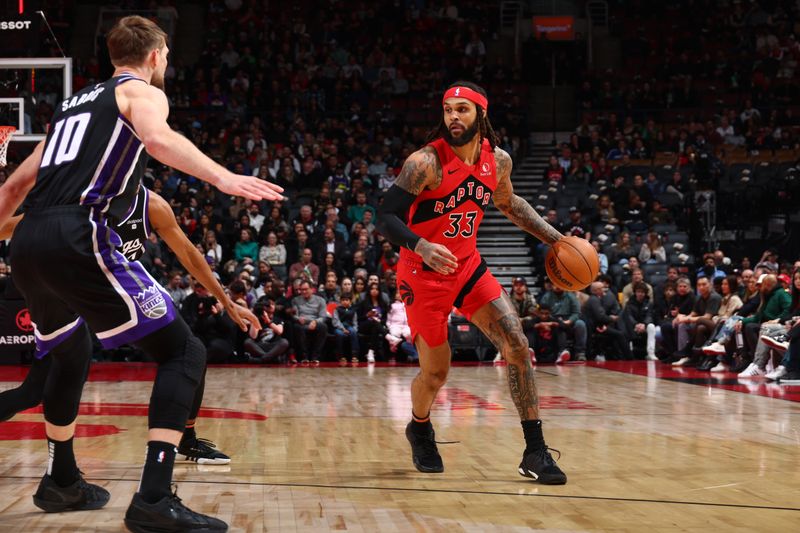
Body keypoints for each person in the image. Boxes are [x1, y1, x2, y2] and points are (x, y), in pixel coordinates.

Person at [0, 16, 282, 532]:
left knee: (70, 352)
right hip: (76, 233)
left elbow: (15, 186)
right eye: (167, 56)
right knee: (184, 351)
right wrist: (223, 177)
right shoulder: (141, 92)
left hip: (28, 238)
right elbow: (156, 140)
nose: (166, 63)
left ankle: (61, 481)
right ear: (155, 56)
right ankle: (154, 497)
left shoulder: (68, 107)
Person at [377, 81, 567, 484]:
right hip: (423, 274)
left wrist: (557, 239)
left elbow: (509, 203)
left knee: (517, 344)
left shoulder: (497, 161)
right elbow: (385, 216)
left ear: (481, 114)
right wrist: (421, 244)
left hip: (466, 267)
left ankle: (535, 450)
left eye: (462, 110)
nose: (453, 117)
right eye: (448, 110)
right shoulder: (424, 162)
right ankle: (420, 427)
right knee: (436, 374)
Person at [0, 186, 257, 466]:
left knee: (189, 351)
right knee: (34, 390)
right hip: (73, 287)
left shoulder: (151, 204)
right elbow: (15, 226)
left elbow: (188, 253)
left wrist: (227, 300)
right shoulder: (79, 200)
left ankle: (186, 438)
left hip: (122, 287)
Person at [290, 280, 328, 365]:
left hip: (315, 322)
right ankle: (304, 357)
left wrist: (315, 321)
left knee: (323, 327)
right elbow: (294, 315)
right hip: (302, 323)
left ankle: (315, 357)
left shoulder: (321, 300)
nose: (303, 292)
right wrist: (298, 319)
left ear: (312, 289)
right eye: (301, 290)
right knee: (297, 327)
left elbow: (323, 316)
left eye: (306, 289)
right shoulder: (295, 300)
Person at [620, 281, 657, 360]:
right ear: (635, 292)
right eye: (638, 292)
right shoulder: (629, 303)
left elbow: (649, 315)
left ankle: (651, 353)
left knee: (652, 326)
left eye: (642, 292)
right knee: (626, 324)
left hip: (644, 326)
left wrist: (644, 324)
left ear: (645, 293)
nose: (640, 294)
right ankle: (629, 352)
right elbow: (629, 316)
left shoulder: (649, 303)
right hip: (633, 326)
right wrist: (636, 324)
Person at [356, 282, 390, 363]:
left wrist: (380, 321)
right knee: (374, 323)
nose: (374, 290)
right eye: (372, 289)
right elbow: (358, 318)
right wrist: (367, 315)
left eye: (376, 289)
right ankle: (388, 336)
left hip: (377, 326)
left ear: (379, 291)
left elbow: (385, 319)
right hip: (364, 325)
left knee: (375, 326)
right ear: (369, 290)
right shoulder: (363, 303)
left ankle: (371, 352)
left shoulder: (383, 304)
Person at [332, 292, 359, 364]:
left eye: (347, 300)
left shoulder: (353, 310)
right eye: (343, 300)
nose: (345, 302)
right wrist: (343, 329)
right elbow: (335, 321)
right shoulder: (337, 309)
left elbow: (355, 322)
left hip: (350, 327)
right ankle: (341, 356)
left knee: (353, 332)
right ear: (340, 301)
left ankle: (354, 355)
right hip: (340, 327)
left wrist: (354, 329)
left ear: (350, 301)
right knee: (340, 334)